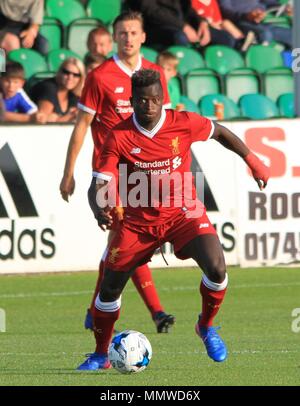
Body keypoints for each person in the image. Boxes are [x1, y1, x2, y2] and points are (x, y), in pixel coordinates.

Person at [79, 68, 270, 369]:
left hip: (184, 213)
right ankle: (102, 354)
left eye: (155, 99)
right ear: (132, 101)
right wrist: (98, 206)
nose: (150, 106)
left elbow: (219, 132)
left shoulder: (184, 123)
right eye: (143, 100)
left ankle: (206, 327)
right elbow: (99, 181)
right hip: (138, 222)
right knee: (109, 288)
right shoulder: (119, 136)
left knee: (217, 269)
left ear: (163, 98)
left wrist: (252, 159)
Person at [59, 12, 174, 352]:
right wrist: (69, 171)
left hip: (145, 173)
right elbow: (82, 125)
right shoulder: (99, 76)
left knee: (122, 246)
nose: (127, 38)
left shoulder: (154, 75)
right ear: (114, 37)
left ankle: (96, 309)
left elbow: (164, 128)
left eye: (133, 32)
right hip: (111, 174)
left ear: (142, 37)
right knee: (126, 242)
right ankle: (154, 311)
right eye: (121, 32)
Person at [126, 0, 238, 49]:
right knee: (179, 37)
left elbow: (188, 9)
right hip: (154, 28)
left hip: (183, 26)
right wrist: (183, 26)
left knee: (226, 38)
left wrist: (202, 22)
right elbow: (151, 11)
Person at [30, 58, 85, 123]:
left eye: (76, 75)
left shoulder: (73, 95)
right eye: (66, 72)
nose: (70, 77)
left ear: (80, 78)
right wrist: (68, 117)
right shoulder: (49, 87)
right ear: (59, 72)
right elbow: (42, 121)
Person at [219, 0, 292, 48]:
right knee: (265, 34)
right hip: (243, 21)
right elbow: (225, 11)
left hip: (263, 20)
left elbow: (269, 3)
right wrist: (247, 15)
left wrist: (282, 8)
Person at [191, 0, 256, 51]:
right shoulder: (193, 2)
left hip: (217, 26)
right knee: (226, 29)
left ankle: (242, 41)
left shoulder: (212, 1)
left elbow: (217, 19)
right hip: (205, 29)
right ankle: (241, 44)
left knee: (226, 22)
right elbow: (196, 19)